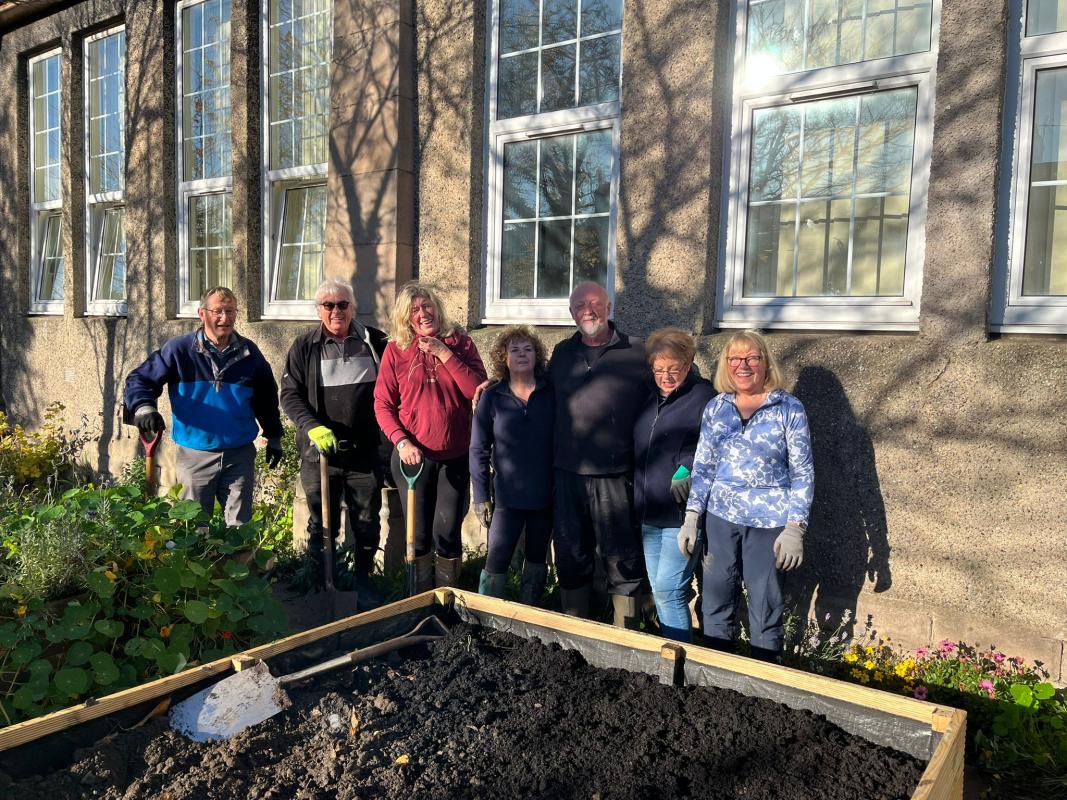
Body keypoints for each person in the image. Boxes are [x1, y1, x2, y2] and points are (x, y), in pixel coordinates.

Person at [679, 329, 814, 661]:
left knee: (765, 605)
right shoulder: (717, 407)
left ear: (765, 362)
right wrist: (692, 517)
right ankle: (716, 676)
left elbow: (803, 471)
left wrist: (796, 527)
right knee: (715, 600)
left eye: (752, 357)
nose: (743, 365)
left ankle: (764, 684)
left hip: (769, 524)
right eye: (735, 359)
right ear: (727, 364)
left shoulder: (788, 408)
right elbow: (705, 465)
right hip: (721, 520)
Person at [123, 286, 283, 526]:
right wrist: (144, 408)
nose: (224, 318)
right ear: (201, 313)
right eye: (217, 311)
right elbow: (140, 379)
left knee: (240, 529)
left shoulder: (250, 353)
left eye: (230, 311)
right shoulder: (180, 350)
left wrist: (274, 436)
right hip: (194, 456)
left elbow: (266, 398)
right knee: (194, 530)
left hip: (238, 455)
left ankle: (237, 563)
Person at [548, 281, 651, 628]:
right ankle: (576, 631)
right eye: (579, 305)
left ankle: (627, 637)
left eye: (594, 303)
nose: (587, 310)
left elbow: (676, 385)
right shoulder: (562, 354)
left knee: (622, 557)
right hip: (567, 473)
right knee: (570, 553)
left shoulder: (639, 352)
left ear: (609, 308)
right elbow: (533, 389)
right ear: (571, 313)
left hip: (616, 474)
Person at [280, 278, 389, 602]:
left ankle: (363, 581)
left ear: (353, 308)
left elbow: (394, 388)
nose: (336, 310)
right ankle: (319, 582)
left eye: (343, 304)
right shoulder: (304, 347)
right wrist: (312, 426)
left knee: (367, 522)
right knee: (323, 523)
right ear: (319, 310)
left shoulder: (375, 341)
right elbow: (290, 394)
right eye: (329, 305)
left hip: (363, 453)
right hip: (320, 455)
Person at [373, 282, 487, 591]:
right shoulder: (397, 350)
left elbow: (476, 390)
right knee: (418, 534)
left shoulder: (460, 343)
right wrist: (401, 440)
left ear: (437, 307)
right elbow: (382, 403)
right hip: (413, 457)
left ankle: (447, 600)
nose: (423, 314)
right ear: (406, 318)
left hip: (455, 456)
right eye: (415, 310)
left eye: (427, 306)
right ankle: (418, 600)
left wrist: (444, 353)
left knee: (446, 532)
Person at [633, 328, 715, 642]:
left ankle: (681, 659)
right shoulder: (647, 395)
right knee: (661, 588)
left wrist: (688, 467)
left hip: (681, 512)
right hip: (648, 509)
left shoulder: (704, 397)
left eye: (674, 369)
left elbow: (711, 444)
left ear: (690, 362)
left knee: (669, 590)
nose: (666, 376)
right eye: (659, 369)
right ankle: (674, 658)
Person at [470, 326, 554, 605]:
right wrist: (481, 496)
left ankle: (528, 619)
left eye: (528, 349)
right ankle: (486, 616)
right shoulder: (493, 397)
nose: (521, 355)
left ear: (537, 355)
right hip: (506, 498)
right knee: (496, 560)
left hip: (545, 496)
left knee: (536, 559)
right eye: (514, 350)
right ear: (503, 358)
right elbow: (478, 449)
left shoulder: (551, 392)